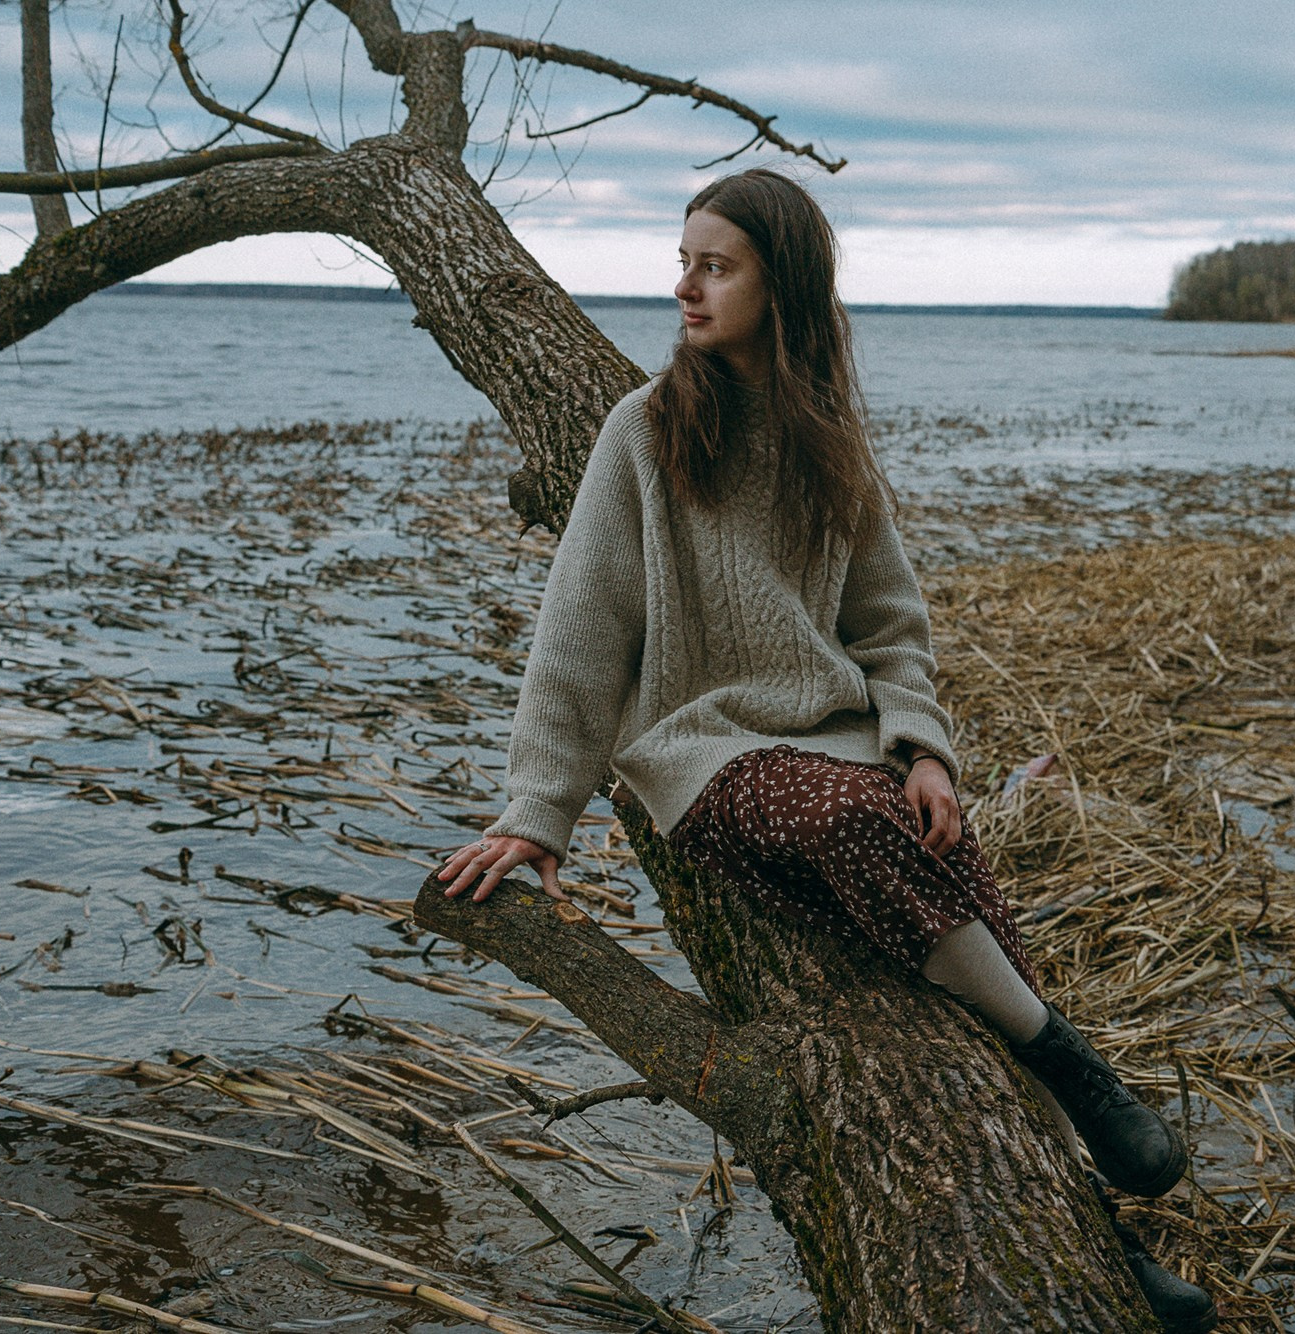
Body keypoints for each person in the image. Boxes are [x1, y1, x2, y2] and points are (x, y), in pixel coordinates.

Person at [434, 168, 1216, 1332]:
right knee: (859, 824)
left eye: (715, 264)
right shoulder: (642, 431)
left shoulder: (826, 441)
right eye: (683, 259)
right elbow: (578, 638)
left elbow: (891, 626)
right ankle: (1071, 1063)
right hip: (702, 754)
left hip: (837, 740)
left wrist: (927, 752)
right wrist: (534, 814)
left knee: (961, 915)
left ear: (779, 283)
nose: (685, 285)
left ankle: (1103, 1243)